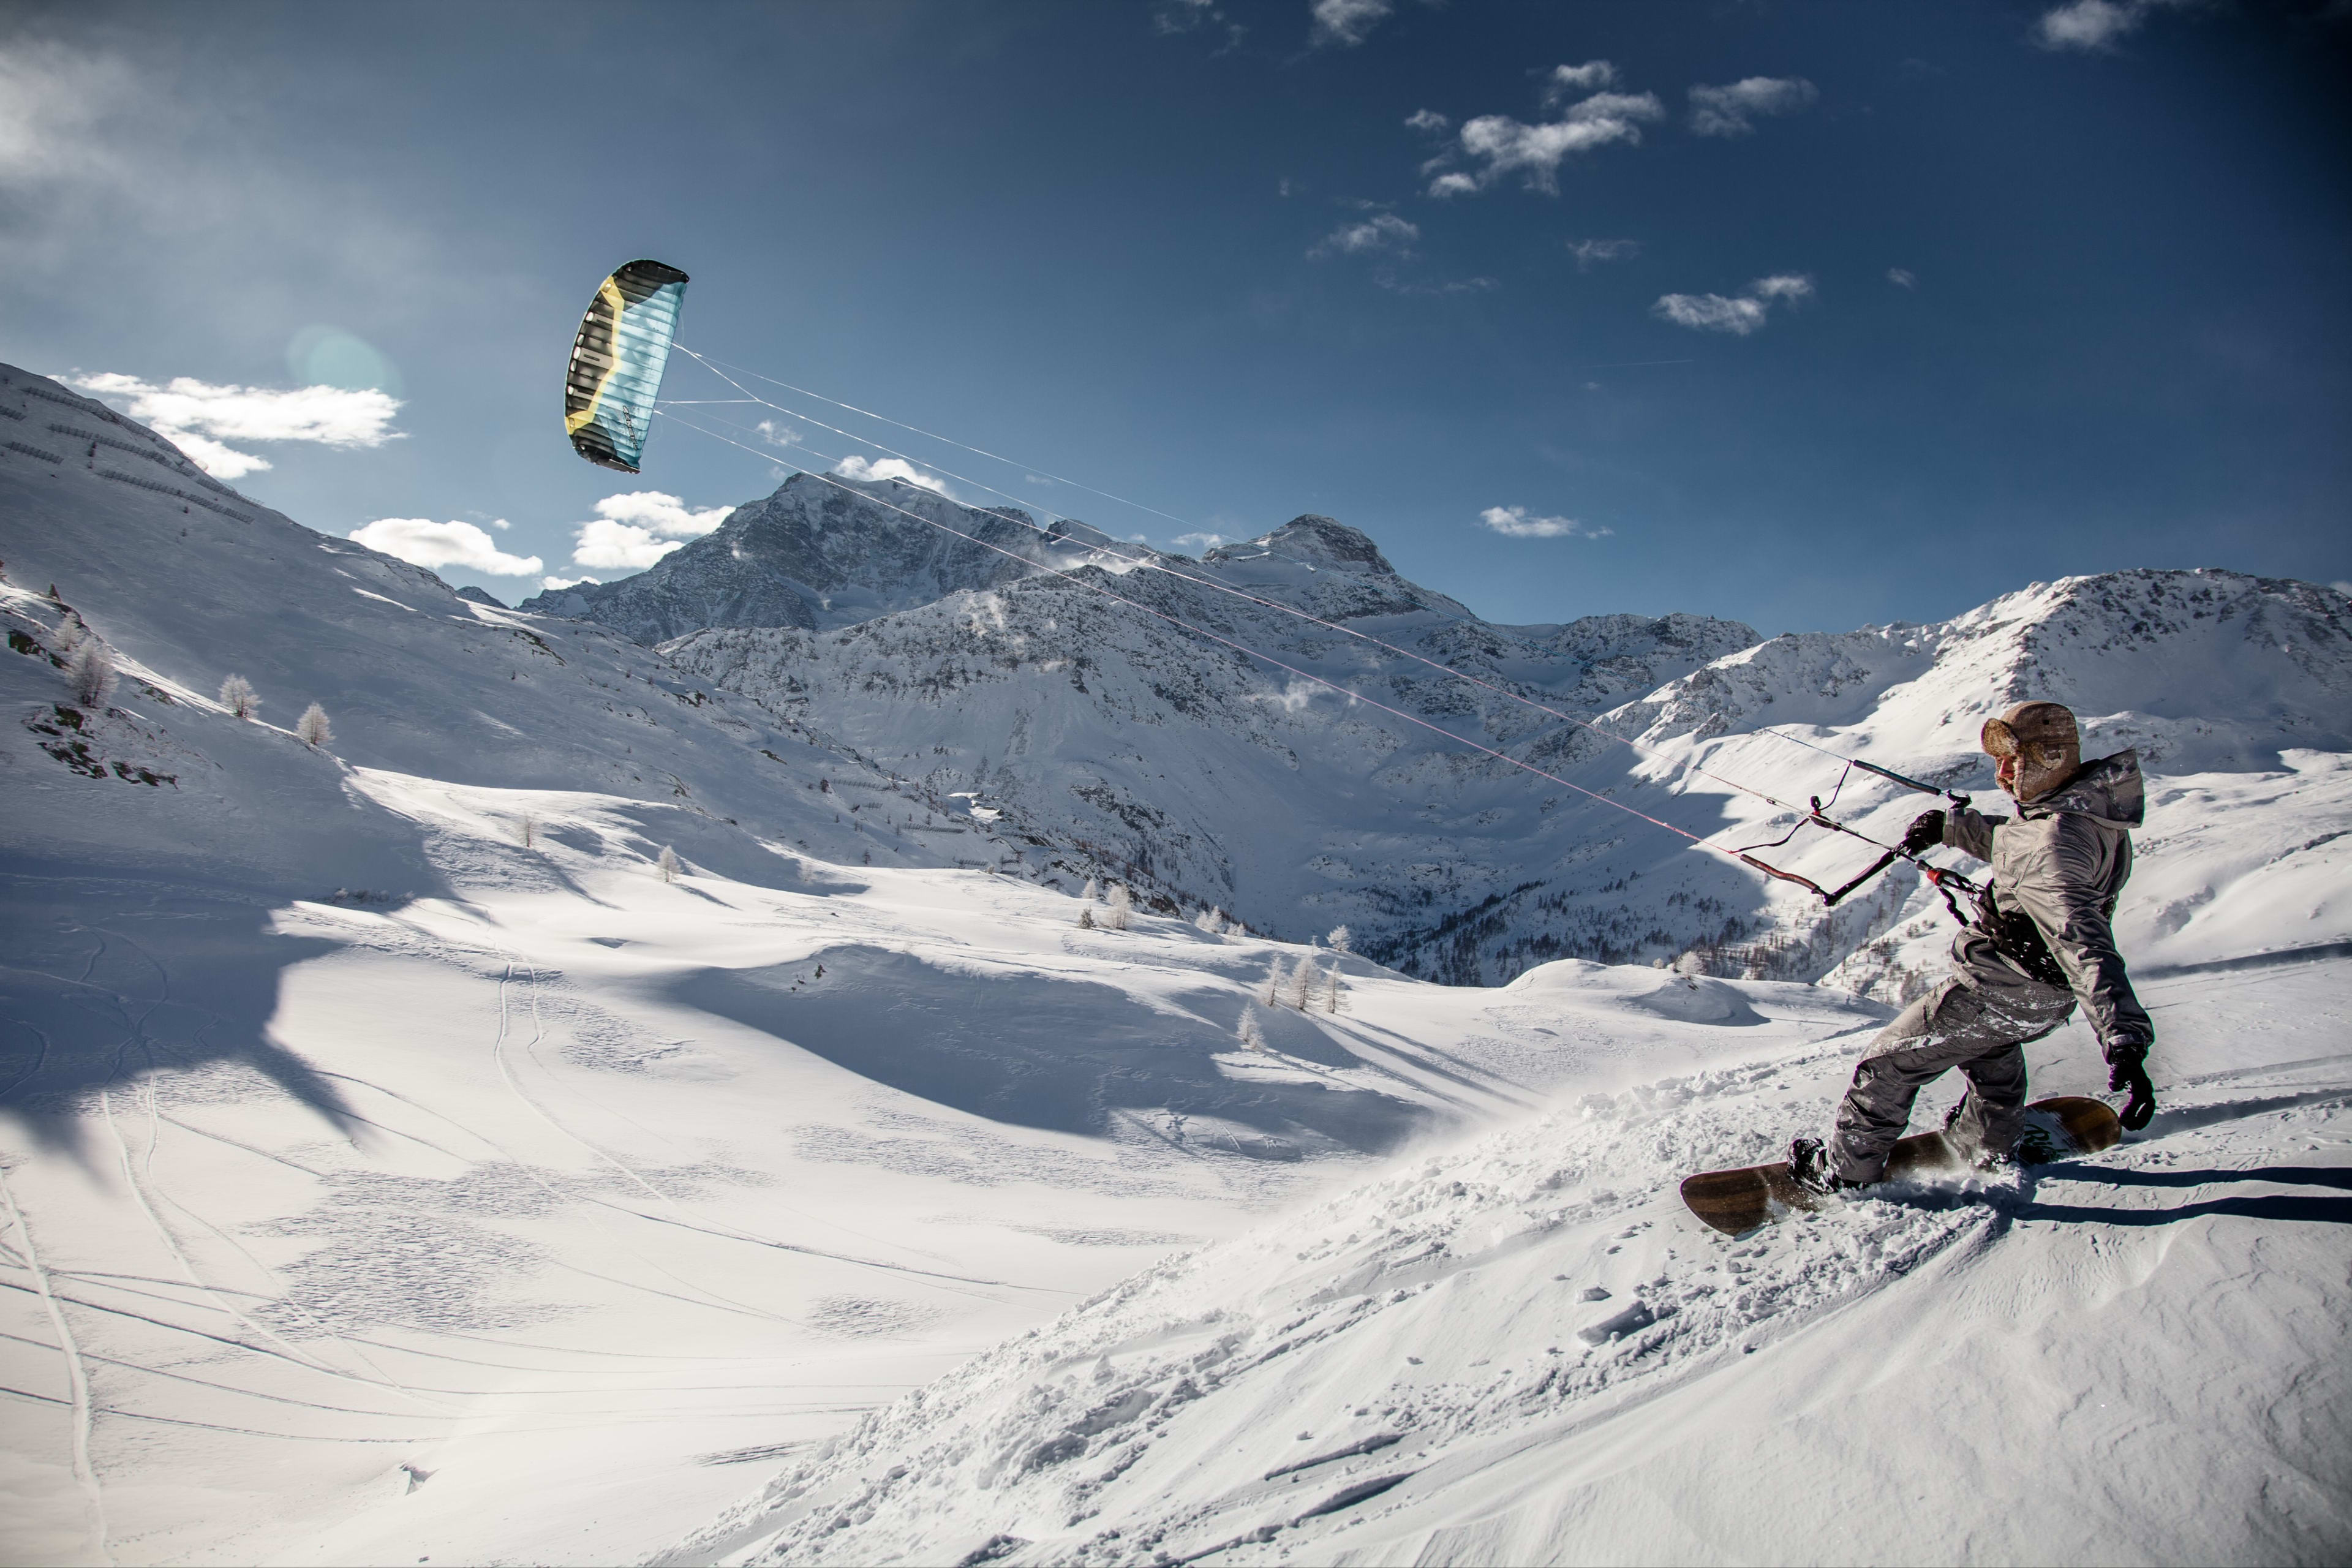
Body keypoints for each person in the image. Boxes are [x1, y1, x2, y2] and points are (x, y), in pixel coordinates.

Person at [1789, 701, 2157, 1194]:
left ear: (2048, 759)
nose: (2003, 775)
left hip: (1999, 986)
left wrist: (2124, 1040)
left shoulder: (2054, 843)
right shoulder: (2087, 813)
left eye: (2015, 762)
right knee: (1989, 1048)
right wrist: (1952, 828)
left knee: (1888, 1064)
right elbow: (2018, 846)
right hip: (2041, 994)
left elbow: (2081, 937)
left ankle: (1845, 1175)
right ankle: (1988, 1142)